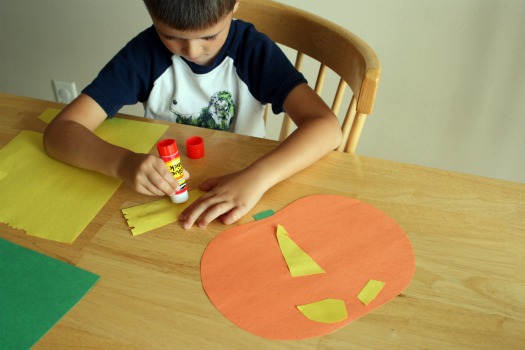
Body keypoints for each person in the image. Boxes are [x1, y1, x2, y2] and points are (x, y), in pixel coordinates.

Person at [43, 0, 342, 229]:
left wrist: (258, 178)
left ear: (235, 4)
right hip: (165, 190)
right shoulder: (144, 54)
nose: (192, 50)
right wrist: (122, 162)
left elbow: (327, 128)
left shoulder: (254, 52)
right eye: (171, 36)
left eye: (210, 36)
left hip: (243, 185)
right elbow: (60, 131)